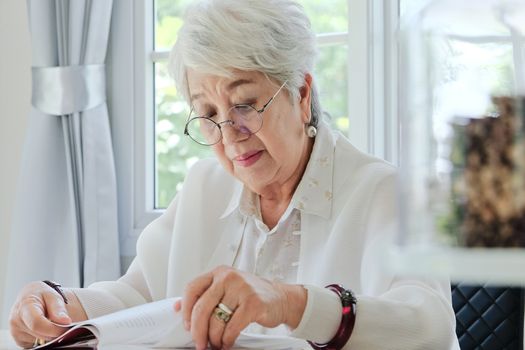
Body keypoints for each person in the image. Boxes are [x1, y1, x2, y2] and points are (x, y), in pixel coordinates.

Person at [9, 0, 460, 349]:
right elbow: (139, 295)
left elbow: (429, 327)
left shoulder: (386, 193)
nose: (229, 135)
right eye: (208, 114)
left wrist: (288, 301)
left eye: (245, 104)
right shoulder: (204, 188)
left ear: (302, 93)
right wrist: (60, 304)